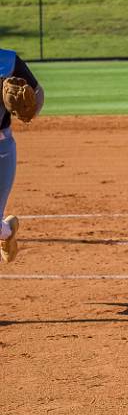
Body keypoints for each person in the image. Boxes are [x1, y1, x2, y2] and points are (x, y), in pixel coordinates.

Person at [0, 49, 45, 263]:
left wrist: (30, 110)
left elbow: (37, 92)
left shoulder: (7, 61)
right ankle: (6, 231)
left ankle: (6, 231)